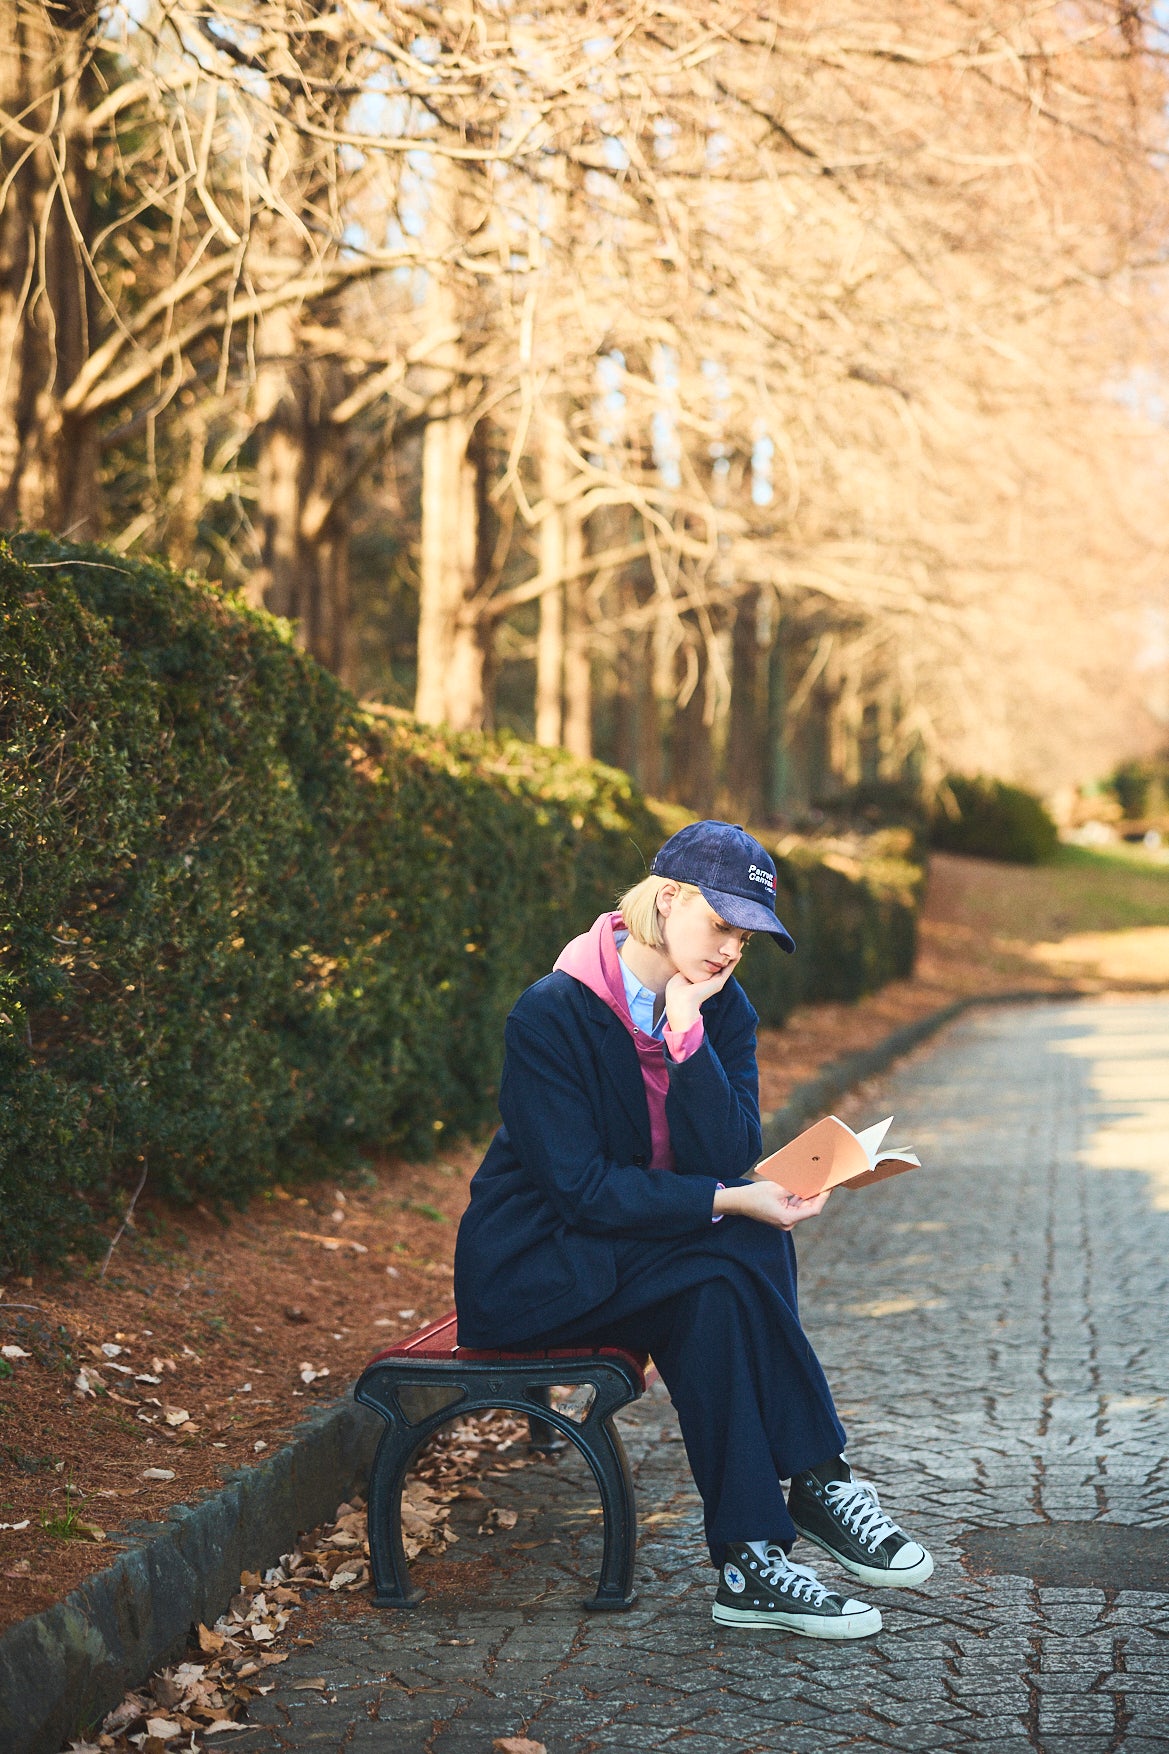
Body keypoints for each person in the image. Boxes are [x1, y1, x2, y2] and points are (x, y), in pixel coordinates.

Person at [454, 820, 933, 1639]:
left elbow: (725, 1151)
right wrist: (726, 1200)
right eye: (720, 926)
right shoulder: (551, 1013)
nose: (728, 952)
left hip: (630, 1258)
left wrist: (685, 1034)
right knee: (736, 1235)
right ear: (667, 899)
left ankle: (750, 1560)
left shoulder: (720, 1007)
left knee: (723, 1277)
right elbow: (579, 1191)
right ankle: (816, 1478)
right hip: (534, 1268)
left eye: (744, 939)